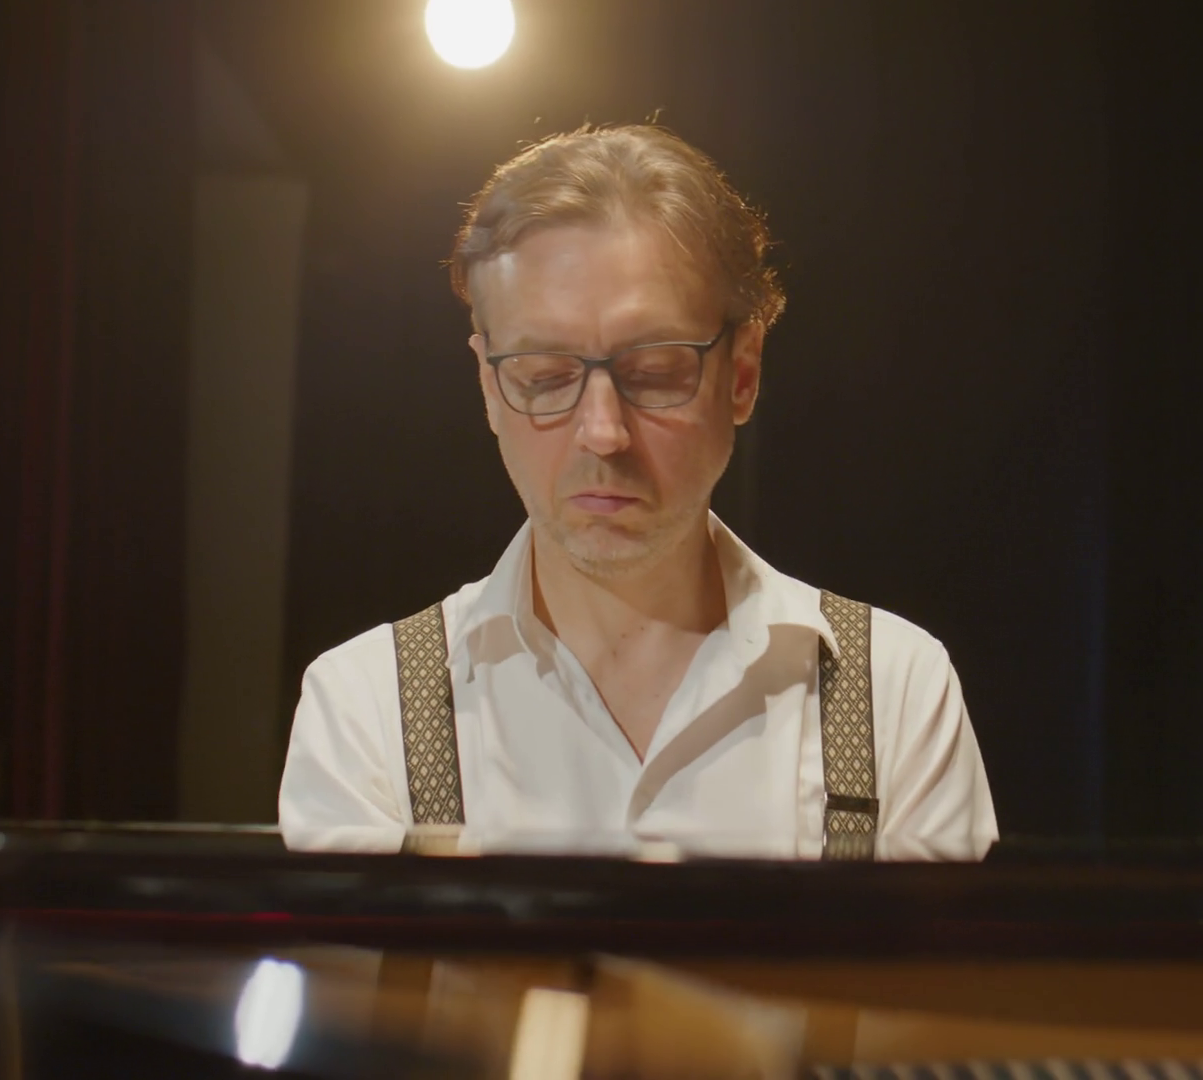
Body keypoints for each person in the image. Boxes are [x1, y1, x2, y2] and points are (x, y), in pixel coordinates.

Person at [278, 125, 995, 859]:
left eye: (654, 372)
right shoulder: (366, 706)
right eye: (543, 376)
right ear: (489, 386)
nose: (602, 432)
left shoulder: (893, 691)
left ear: (743, 374)